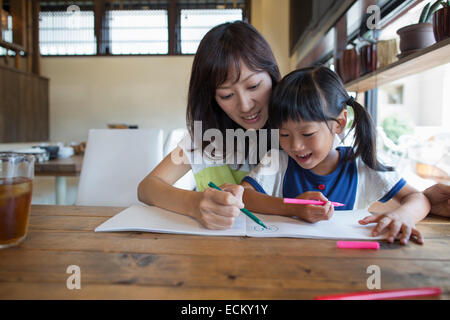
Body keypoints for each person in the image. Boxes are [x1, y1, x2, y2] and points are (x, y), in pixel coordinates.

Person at [241, 66, 431, 245]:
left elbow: (418, 198)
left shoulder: (362, 163)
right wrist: (293, 207)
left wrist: (404, 215)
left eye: (307, 134)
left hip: (349, 258)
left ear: (339, 123)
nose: (295, 146)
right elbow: (243, 196)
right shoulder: (278, 161)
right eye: (283, 134)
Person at [138, 21, 281, 230]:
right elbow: (147, 188)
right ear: (212, 98)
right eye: (227, 95)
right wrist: (194, 204)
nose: (245, 105)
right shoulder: (206, 139)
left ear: (272, 75)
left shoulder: (298, 128)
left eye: (253, 86)